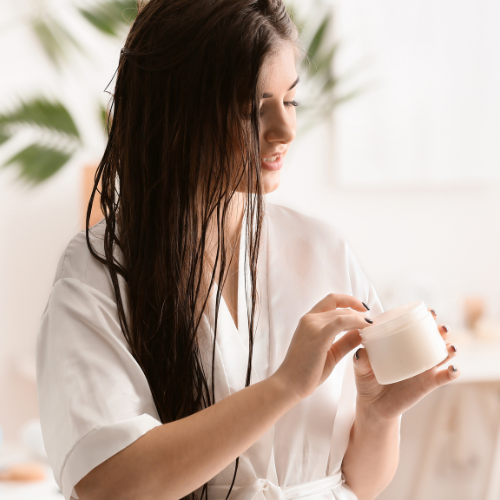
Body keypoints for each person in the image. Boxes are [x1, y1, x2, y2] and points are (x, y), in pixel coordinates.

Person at [35, 1, 460, 500]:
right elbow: (109, 486)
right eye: (252, 110)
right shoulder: (97, 272)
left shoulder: (322, 248)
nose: (285, 131)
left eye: (291, 101)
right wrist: (284, 387)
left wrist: (378, 413)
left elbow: (360, 482)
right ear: (176, 110)